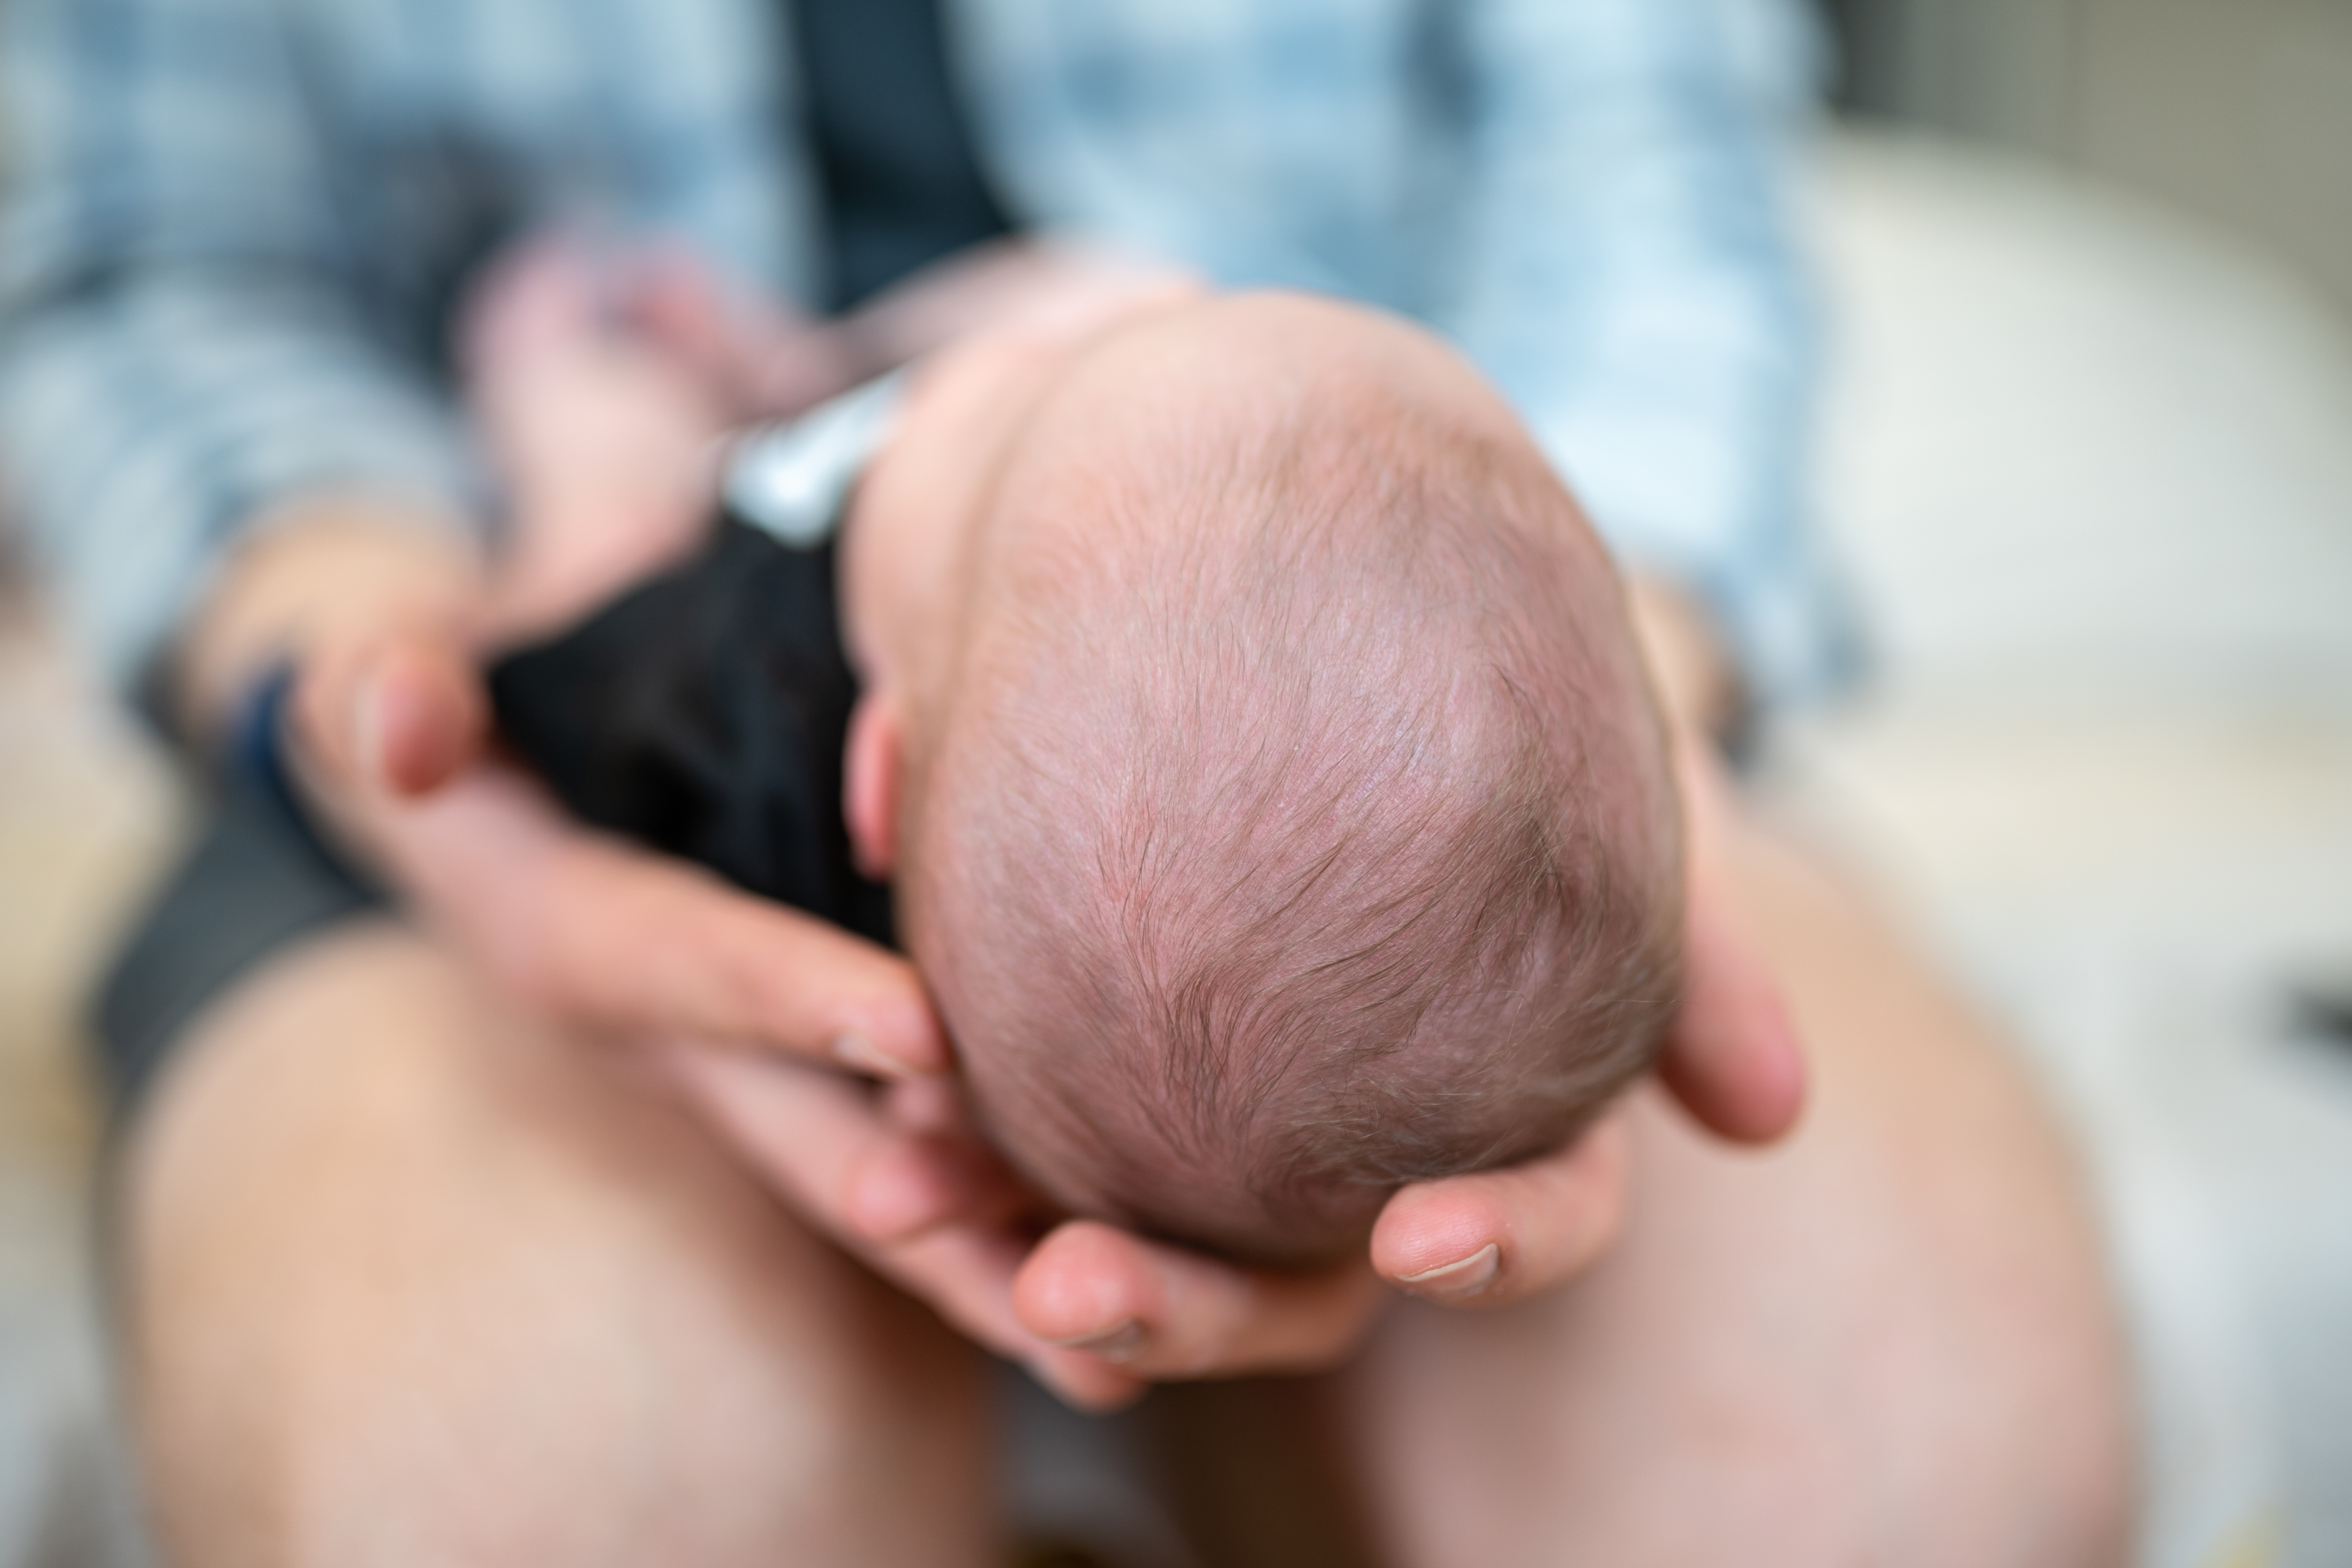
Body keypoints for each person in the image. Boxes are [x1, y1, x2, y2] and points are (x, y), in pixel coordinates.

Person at [0, 0, 2131, 1561]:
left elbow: (1644, 171)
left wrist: (1599, 664)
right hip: (446, 624)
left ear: (879, 758)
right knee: (542, 1488)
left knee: (1897, 1475)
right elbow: (154, 270)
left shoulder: (728, 639)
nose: (1018, 384)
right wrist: (382, 671)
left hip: (1387, 674)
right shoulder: (990, 419)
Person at [482, 277, 1683, 1266]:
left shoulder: (727, 703)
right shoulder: (1040, 552)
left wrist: (588, 461)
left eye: (1016, 414)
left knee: (608, 489)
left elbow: (541, 666)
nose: (1027, 362)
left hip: (721, 488)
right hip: (842, 384)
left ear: (877, 776)